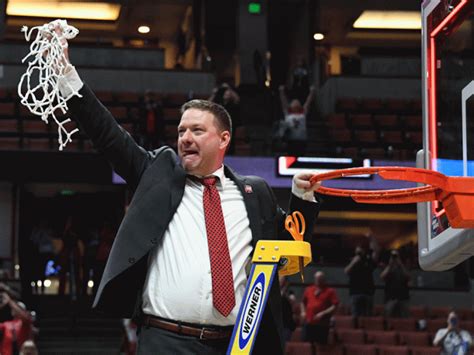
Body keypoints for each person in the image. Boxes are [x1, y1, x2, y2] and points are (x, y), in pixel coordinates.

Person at [51, 25, 321, 355]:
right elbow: (106, 133)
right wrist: (66, 76)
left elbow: (291, 245)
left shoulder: (257, 193)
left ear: (223, 139)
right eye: (181, 130)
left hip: (236, 345)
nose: (185, 138)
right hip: (165, 340)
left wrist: (303, 197)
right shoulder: (158, 173)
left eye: (196, 130)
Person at [300, 271, 338, 345]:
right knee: (307, 345)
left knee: (321, 346)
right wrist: (303, 312)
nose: (318, 280)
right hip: (309, 322)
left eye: (320, 279)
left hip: (322, 324)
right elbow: (302, 302)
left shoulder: (330, 291)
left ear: (324, 280)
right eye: (316, 278)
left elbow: (335, 305)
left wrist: (323, 313)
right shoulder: (309, 289)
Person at [344, 237, 379, 317]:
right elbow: (346, 271)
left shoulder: (368, 260)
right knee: (355, 316)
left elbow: (376, 253)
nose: (359, 252)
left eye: (361, 250)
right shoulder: (352, 260)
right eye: (358, 250)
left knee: (368, 317)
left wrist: (372, 239)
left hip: (368, 292)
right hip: (355, 292)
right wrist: (354, 262)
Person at [278, 84, 315, 156]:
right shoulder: (288, 113)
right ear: (291, 105)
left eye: (297, 102)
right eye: (294, 102)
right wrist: (281, 92)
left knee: (300, 156)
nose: (296, 103)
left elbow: (308, 102)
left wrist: (312, 92)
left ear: (300, 106)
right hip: (291, 140)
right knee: (291, 156)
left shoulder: (303, 113)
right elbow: (283, 101)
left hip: (301, 140)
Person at [380, 249, 410, 318]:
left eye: (396, 256)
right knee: (388, 316)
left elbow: (408, 277)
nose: (394, 257)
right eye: (393, 256)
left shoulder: (403, 266)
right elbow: (382, 277)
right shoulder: (387, 267)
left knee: (405, 317)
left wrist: (400, 264)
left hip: (403, 297)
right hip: (390, 297)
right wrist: (390, 265)